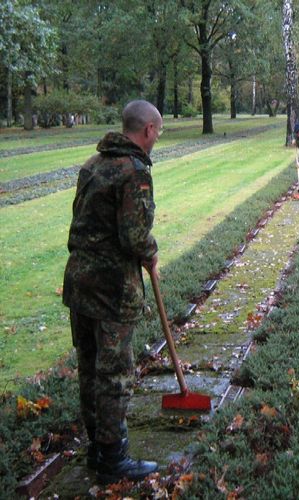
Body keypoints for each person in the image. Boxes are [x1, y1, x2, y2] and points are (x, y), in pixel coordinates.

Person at [63, 100, 162, 484]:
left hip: (79, 282)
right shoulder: (133, 172)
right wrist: (151, 253)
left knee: (90, 368)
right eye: (158, 132)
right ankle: (113, 458)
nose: (157, 138)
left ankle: (96, 448)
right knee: (115, 373)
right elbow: (133, 236)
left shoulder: (92, 165)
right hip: (111, 288)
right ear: (148, 130)